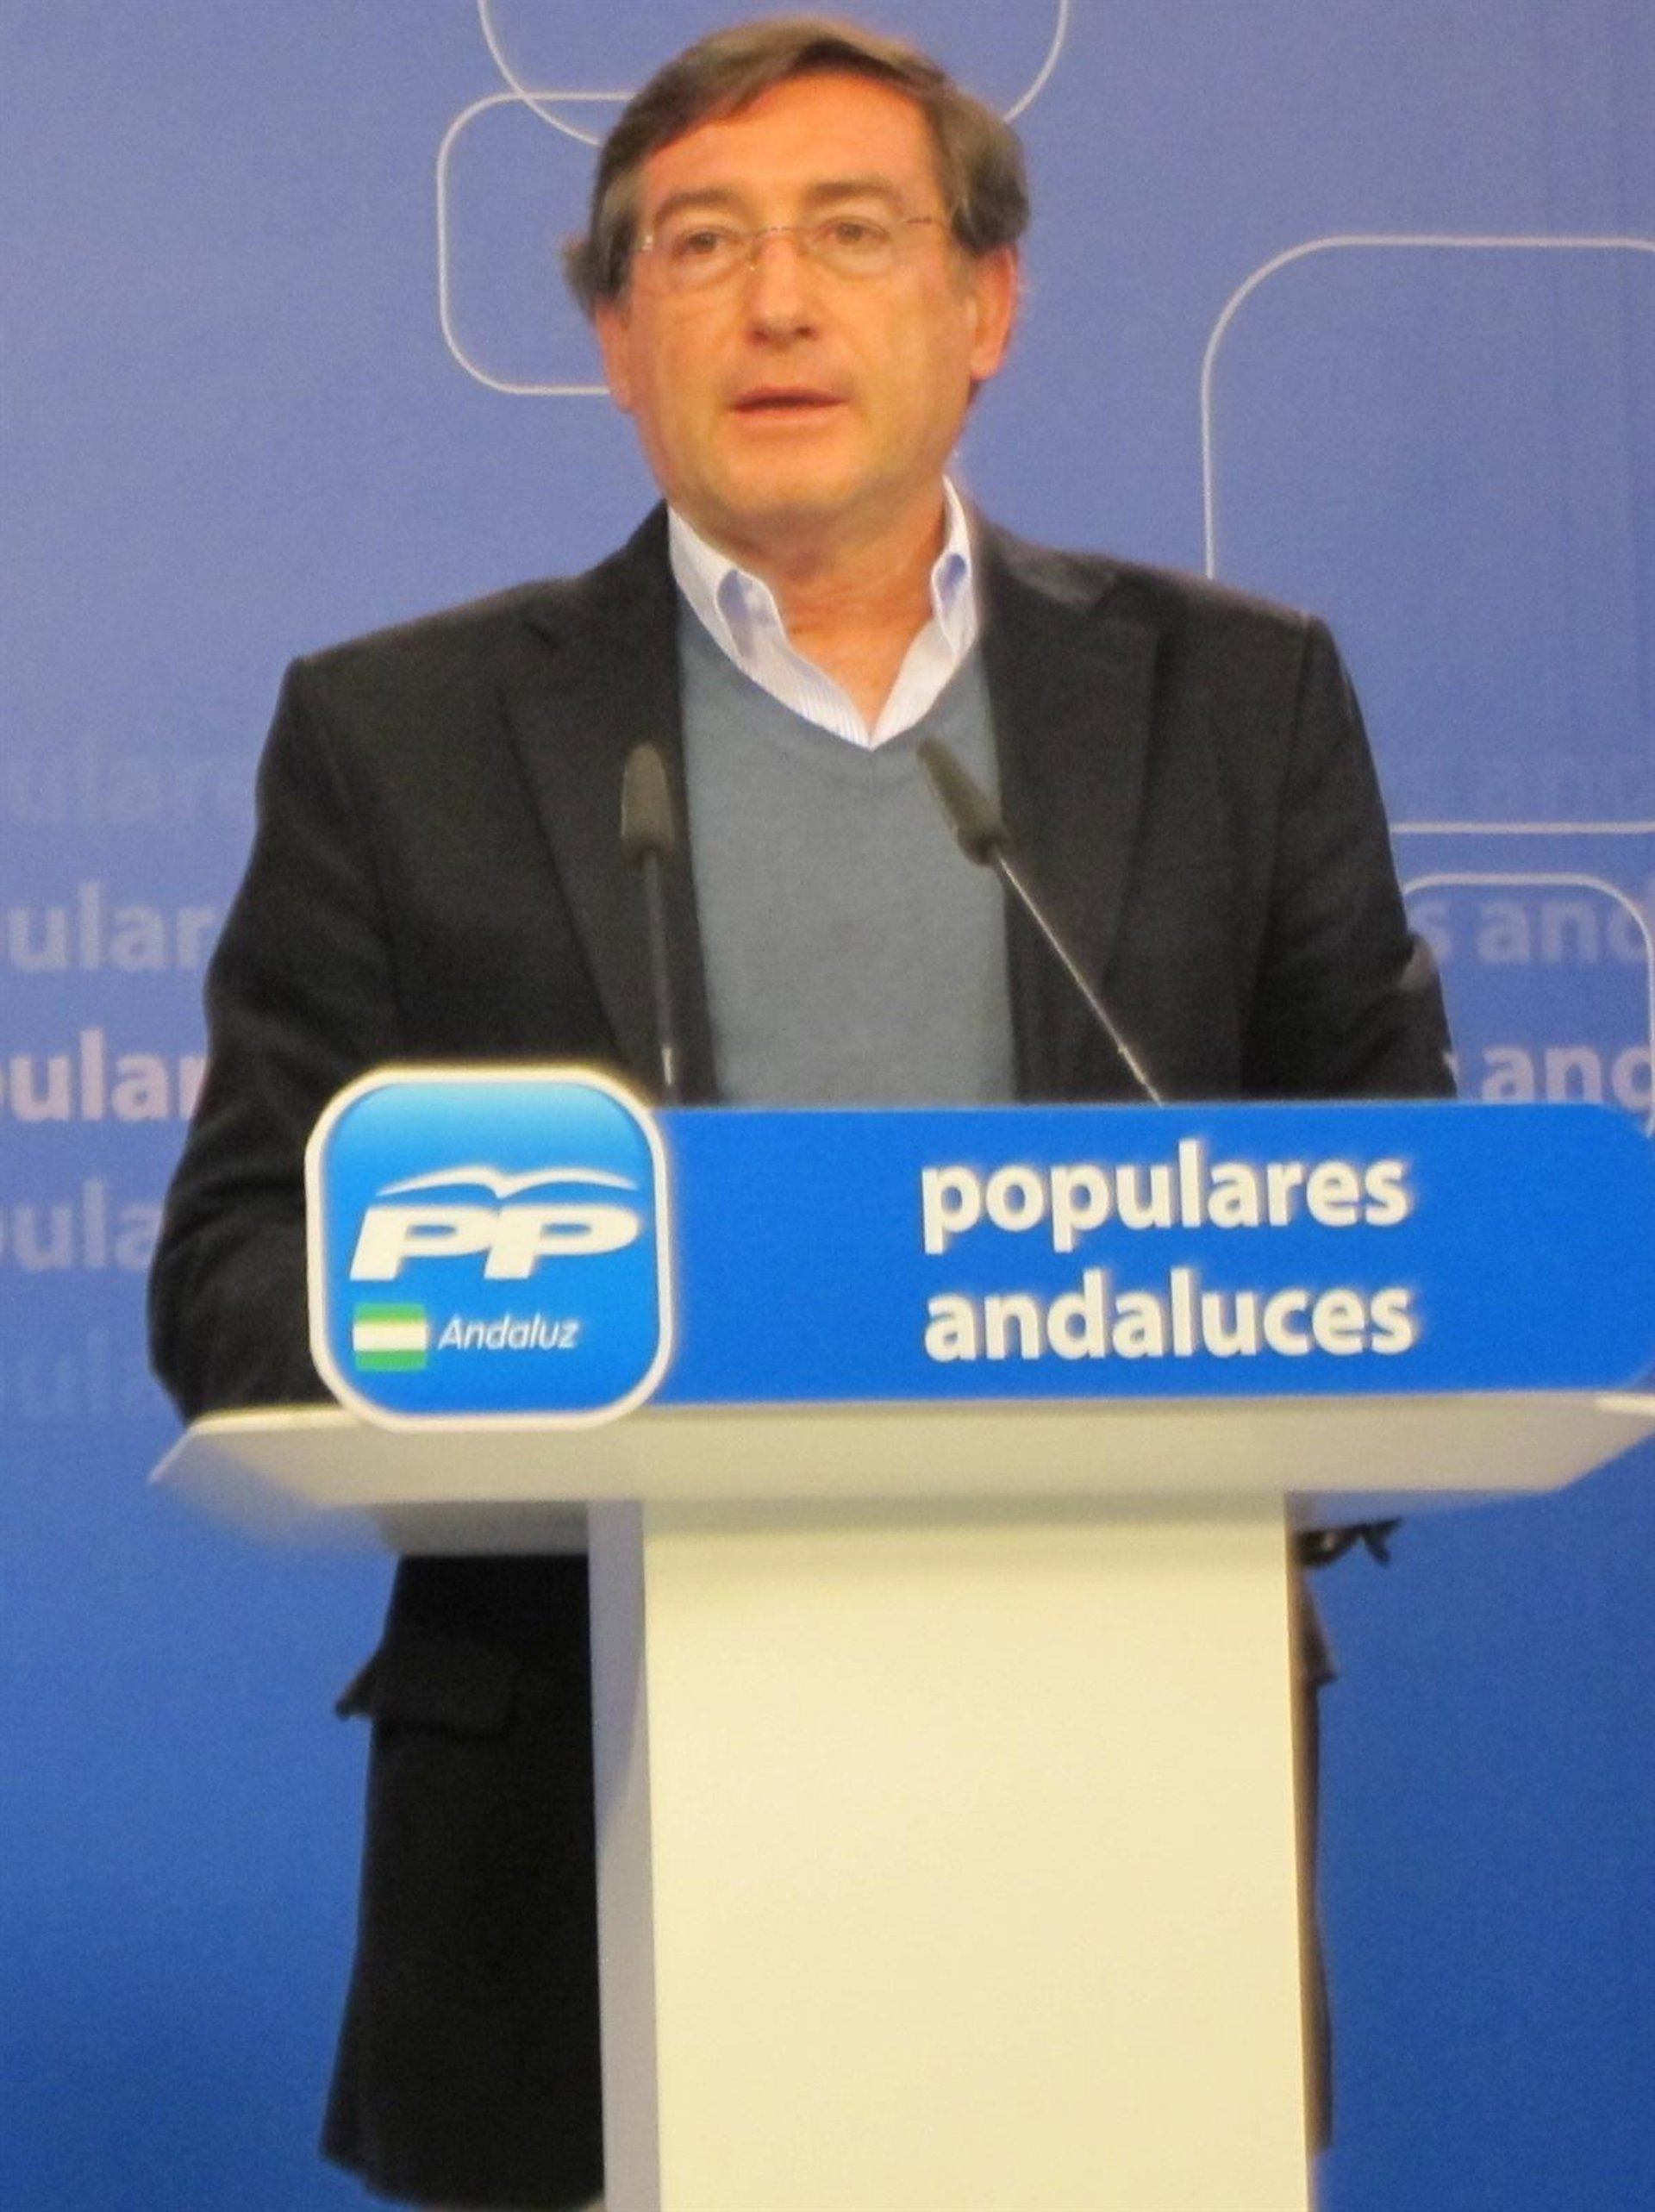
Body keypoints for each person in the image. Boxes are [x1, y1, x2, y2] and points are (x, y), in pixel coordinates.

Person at [149, 16, 1452, 2209]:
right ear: (613, 336)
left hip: (1125, 1831)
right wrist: (562, 1320)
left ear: (985, 304)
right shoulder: (401, 734)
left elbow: (1396, 1221)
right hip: (575, 1838)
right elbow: (232, 1277)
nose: (775, 302)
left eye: (853, 233)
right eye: (698, 246)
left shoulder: (1235, 700)